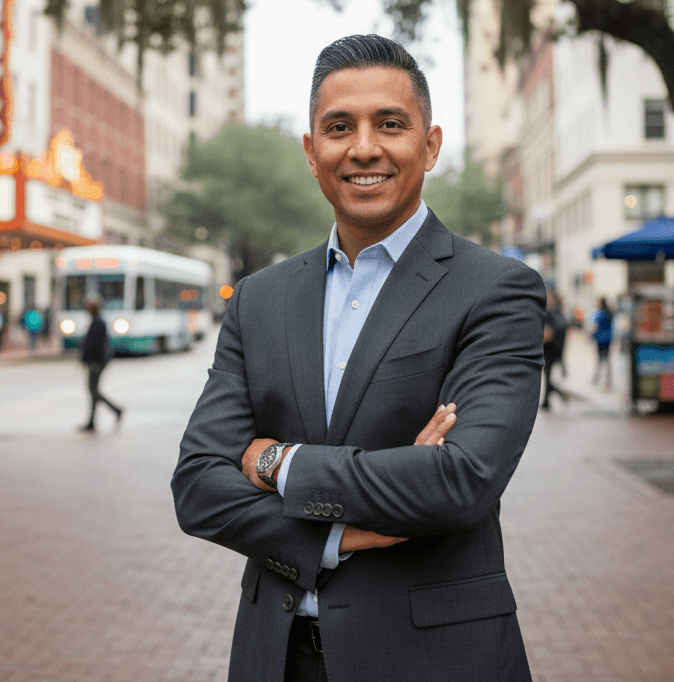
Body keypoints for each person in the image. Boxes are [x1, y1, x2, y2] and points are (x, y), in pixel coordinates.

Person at [171, 35, 543, 682]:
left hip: (434, 661)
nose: (364, 147)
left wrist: (275, 461)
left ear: (430, 145)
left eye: (390, 125)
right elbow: (199, 485)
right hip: (277, 658)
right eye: (339, 127)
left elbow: (460, 481)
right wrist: (330, 538)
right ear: (312, 153)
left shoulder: (495, 290)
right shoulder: (260, 299)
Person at [79, 294, 123, 432]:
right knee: (93, 391)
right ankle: (92, 422)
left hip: (97, 362)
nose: (86, 308)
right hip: (95, 361)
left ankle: (116, 410)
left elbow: (96, 345)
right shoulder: (96, 320)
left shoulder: (99, 322)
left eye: (89, 306)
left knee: (94, 390)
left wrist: (89, 360)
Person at [541, 289, 568, 410]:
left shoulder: (551, 313)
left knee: (547, 374)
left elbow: (549, 333)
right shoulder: (559, 313)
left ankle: (556, 395)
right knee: (547, 375)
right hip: (556, 349)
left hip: (550, 350)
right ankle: (547, 401)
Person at [591, 297, 614, 389]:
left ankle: (597, 378)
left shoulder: (601, 314)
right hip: (608, 339)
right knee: (607, 360)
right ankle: (608, 381)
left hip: (600, 339)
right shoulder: (610, 313)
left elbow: (596, 325)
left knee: (600, 360)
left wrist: (592, 335)